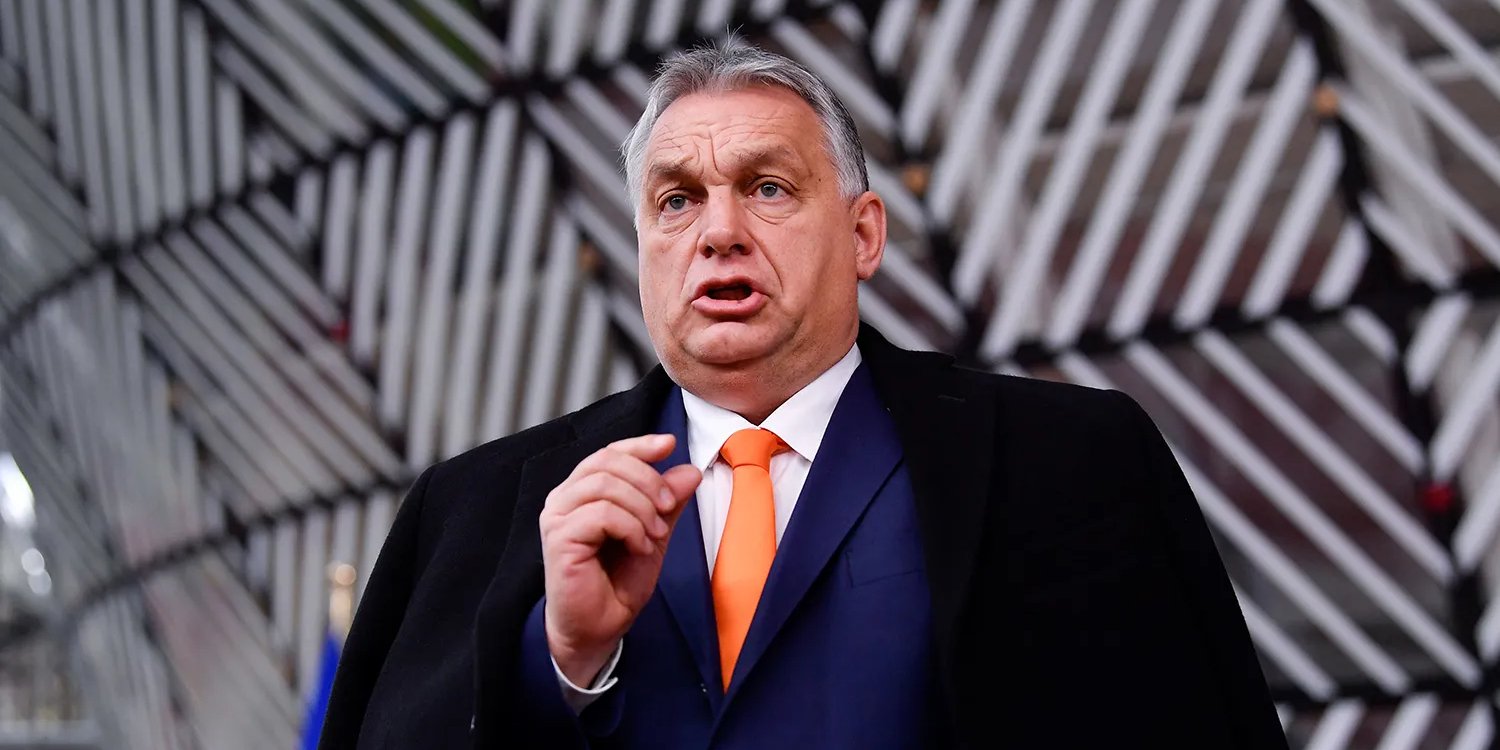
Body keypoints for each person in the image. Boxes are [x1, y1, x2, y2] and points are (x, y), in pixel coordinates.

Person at [320, 38, 1287, 749]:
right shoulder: (478, 509)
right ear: (644, 251)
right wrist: (562, 661)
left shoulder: (1070, 462)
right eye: (677, 200)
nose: (719, 232)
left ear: (864, 233)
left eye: (769, 188)